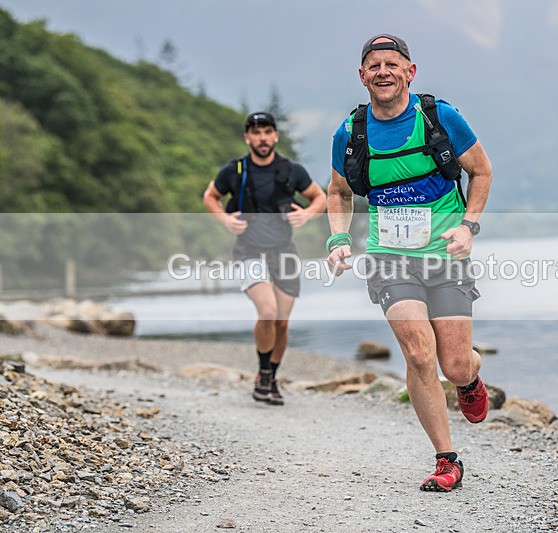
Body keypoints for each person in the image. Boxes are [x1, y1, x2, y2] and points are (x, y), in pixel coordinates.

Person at [327, 34, 493, 492]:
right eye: (374, 65)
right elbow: (339, 192)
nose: (383, 71)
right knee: (419, 352)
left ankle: (470, 380)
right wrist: (339, 237)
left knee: (455, 362)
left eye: (392, 64)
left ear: (409, 72)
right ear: (362, 76)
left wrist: (468, 226)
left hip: (445, 254)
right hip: (390, 258)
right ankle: (447, 460)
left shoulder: (441, 118)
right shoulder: (350, 133)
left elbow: (481, 171)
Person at [203, 111, 326, 405]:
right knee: (268, 312)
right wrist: (225, 221)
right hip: (249, 251)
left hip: (284, 251)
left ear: (275, 136)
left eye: (267, 131)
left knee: (282, 323)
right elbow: (210, 196)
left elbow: (319, 197)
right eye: (256, 132)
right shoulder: (235, 171)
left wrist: (307, 215)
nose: (262, 138)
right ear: (247, 137)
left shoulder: (291, 170)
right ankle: (262, 372)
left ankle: (270, 377)